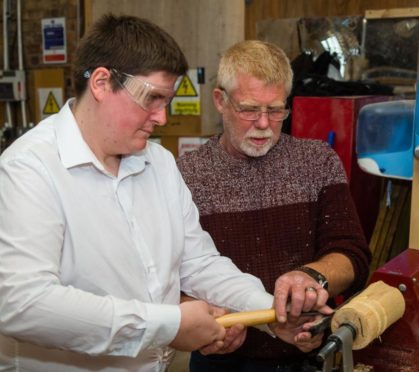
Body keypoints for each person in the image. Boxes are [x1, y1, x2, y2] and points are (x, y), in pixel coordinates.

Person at [0, 16, 327, 372]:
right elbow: (21, 303)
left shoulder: (157, 162)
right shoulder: (29, 168)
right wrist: (168, 325)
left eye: (167, 100)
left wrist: (270, 311)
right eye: (152, 98)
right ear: (101, 82)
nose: (163, 117)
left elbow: (198, 263)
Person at [177, 40, 372, 371]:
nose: (264, 123)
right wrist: (199, 319)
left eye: (276, 109)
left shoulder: (317, 162)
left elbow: (352, 254)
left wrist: (312, 277)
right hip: (223, 360)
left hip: (308, 356)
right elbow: (170, 275)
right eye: (250, 109)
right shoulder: (185, 176)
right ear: (220, 101)